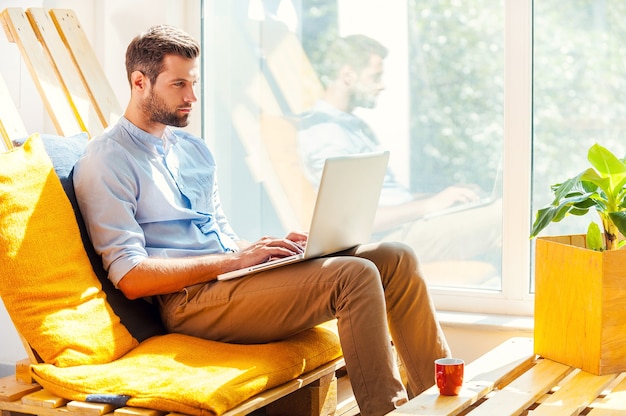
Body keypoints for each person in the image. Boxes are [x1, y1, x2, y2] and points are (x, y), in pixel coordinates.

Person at [73, 25, 450, 416]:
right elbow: (131, 277)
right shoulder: (106, 160)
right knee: (353, 276)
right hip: (188, 302)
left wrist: (263, 251)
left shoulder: (192, 149)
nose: (192, 96)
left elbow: (221, 235)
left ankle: (440, 400)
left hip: (231, 284)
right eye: (178, 84)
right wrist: (232, 262)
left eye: (194, 82)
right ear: (139, 82)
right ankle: (388, 411)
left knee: (395, 256)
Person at [298, 34, 501, 268]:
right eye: (375, 76)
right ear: (347, 75)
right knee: (504, 216)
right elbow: (349, 223)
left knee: (497, 210)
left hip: (405, 226)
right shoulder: (326, 132)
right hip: (386, 240)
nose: (382, 85)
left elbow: (383, 195)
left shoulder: (352, 126)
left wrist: (444, 197)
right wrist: (428, 205)